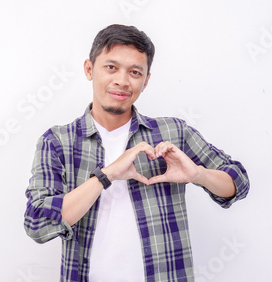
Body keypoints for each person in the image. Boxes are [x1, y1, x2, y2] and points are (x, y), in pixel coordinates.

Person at [24, 24, 249, 282]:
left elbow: (238, 183)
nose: (122, 80)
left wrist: (197, 174)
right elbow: (37, 223)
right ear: (89, 69)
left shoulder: (173, 133)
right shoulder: (58, 141)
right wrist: (106, 175)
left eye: (134, 72)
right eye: (111, 67)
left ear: (146, 81)